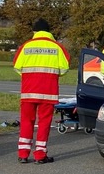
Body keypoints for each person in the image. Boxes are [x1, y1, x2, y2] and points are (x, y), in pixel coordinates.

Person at [13, 18, 70, 164]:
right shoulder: (57, 47)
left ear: (34, 31)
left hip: (28, 91)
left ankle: (23, 154)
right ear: (48, 31)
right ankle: (40, 155)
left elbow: (17, 67)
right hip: (48, 92)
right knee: (44, 123)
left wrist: (29, 76)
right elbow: (64, 68)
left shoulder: (26, 46)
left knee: (26, 121)